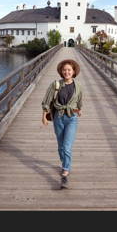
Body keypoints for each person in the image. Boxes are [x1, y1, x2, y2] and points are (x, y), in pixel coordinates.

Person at [41, 59, 82, 189]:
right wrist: (44, 116)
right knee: (60, 146)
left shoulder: (78, 86)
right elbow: (47, 101)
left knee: (67, 146)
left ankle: (65, 170)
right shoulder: (56, 85)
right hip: (58, 117)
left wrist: (78, 110)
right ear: (61, 71)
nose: (67, 72)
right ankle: (64, 161)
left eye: (69, 70)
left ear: (74, 71)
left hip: (72, 118)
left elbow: (80, 100)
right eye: (64, 70)